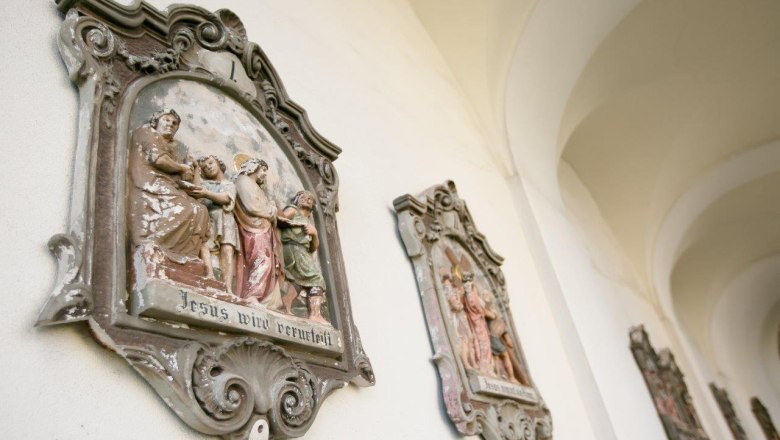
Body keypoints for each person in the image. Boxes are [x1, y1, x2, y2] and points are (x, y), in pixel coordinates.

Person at [127, 108, 209, 262]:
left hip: (165, 184)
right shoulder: (147, 133)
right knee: (183, 207)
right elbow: (159, 160)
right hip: (149, 183)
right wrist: (182, 167)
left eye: (174, 123)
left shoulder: (171, 148)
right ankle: (155, 245)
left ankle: (185, 255)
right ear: (156, 121)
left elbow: (180, 176)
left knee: (201, 210)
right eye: (166, 120)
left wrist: (191, 170)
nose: (170, 124)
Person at [233, 158, 283, 310]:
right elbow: (251, 206)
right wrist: (270, 210)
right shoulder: (243, 181)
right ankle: (251, 295)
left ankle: (264, 299)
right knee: (261, 259)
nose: (264, 175)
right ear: (254, 167)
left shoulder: (255, 186)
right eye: (263, 170)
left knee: (266, 261)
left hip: (264, 227)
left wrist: (272, 210)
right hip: (253, 227)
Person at [189, 155, 239, 292]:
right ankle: (209, 275)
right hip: (208, 218)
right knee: (204, 244)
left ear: (219, 163)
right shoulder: (205, 185)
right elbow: (196, 190)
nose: (209, 167)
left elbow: (225, 199)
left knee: (227, 250)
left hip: (226, 220)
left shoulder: (229, 184)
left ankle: (228, 288)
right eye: (204, 167)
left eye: (211, 163)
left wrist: (206, 193)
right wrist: (196, 171)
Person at [279, 190, 328, 324]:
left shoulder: (307, 221)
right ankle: (315, 315)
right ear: (296, 199)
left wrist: (315, 234)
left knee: (300, 279)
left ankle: (287, 302)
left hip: (303, 251)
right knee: (317, 279)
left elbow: (313, 247)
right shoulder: (293, 210)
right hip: (294, 248)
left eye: (310, 199)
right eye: (302, 196)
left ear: (312, 206)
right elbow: (281, 217)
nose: (306, 199)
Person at [461, 272, 494, 376]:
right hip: (477, 321)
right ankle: (484, 366)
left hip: (474, 321)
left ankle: (483, 364)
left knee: (478, 341)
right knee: (483, 342)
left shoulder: (466, 293)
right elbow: (477, 307)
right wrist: (482, 311)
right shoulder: (471, 293)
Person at [442, 273, 477, 370]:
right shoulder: (448, 289)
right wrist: (459, 300)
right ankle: (465, 363)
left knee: (468, 340)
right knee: (463, 340)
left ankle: (472, 363)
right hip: (457, 320)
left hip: (462, 319)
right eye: (456, 280)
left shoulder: (454, 290)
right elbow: (456, 306)